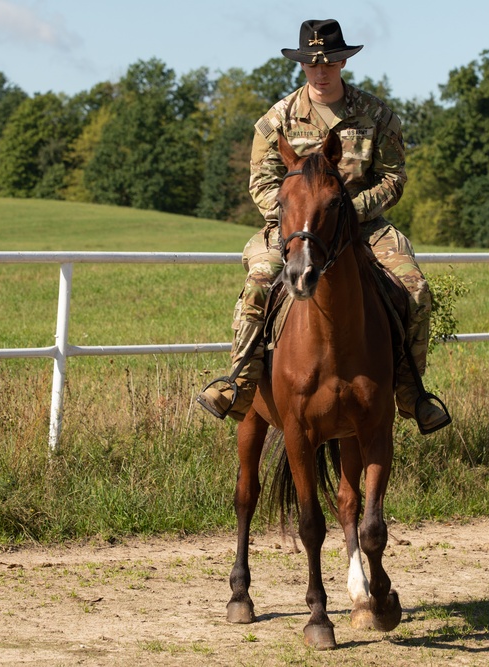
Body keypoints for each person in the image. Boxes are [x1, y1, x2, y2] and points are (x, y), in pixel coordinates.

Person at [197, 18, 450, 434]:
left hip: (364, 225)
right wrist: (298, 219)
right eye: (313, 64)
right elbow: (261, 183)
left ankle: (410, 391)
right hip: (293, 227)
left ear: (342, 63)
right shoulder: (276, 120)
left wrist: (349, 210)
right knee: (261, 281)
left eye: (329, 63)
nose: (321, 71)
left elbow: (393, 178)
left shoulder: (377, 116)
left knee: (416, 290)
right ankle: (239, 381)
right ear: (301, 66)